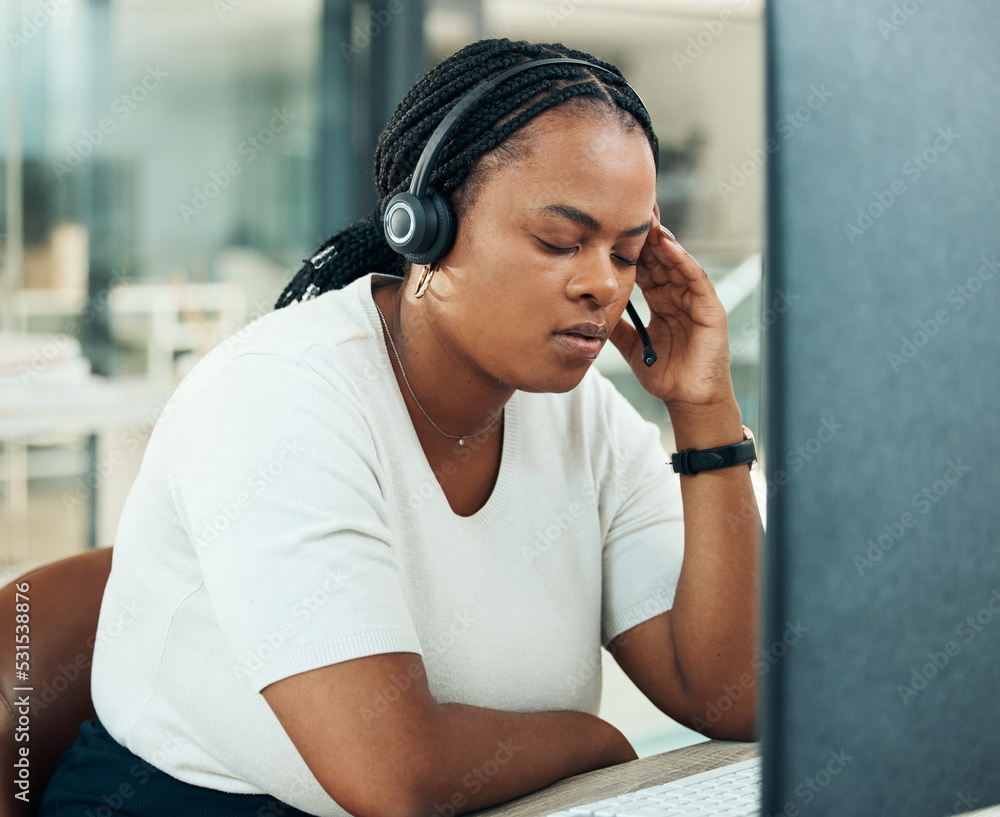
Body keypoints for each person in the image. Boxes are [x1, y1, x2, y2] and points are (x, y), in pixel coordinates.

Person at [41, 37, 761, 817]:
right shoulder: (279, 397)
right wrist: (594, 746)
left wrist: (704, 411)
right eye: (560, 241)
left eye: (627, 254)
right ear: (426, 228)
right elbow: (394, 772)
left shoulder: (585, 418)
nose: (601, 284)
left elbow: (733, 694)